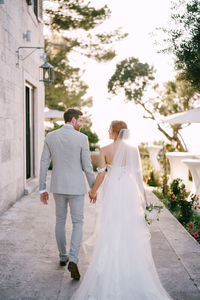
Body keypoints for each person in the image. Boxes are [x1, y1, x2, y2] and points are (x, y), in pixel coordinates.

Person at [71, 120, 172, 299]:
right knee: (129, 228)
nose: (108, 131)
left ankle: (110, 268)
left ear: (116, 131)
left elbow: (101, 174)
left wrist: (93, 190)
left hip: (113, 190)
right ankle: (131, 269)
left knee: (110, 226)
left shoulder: (105, 149)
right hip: (129, 191)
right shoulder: (133, 150)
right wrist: (144, 201)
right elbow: (138, 177)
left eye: (109, 129)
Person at [39, 108, 95, 280]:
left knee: (60, 221)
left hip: (58, 186)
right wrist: (93, 188)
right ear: (73, 120)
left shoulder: (50, 136)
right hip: (76, 188)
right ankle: (73, 258)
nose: (82, 123)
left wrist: (42, 188)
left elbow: (43, 163)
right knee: (78, 222)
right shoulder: (82, 138)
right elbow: (87, 166)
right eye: (81, 120)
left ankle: (63, 257)